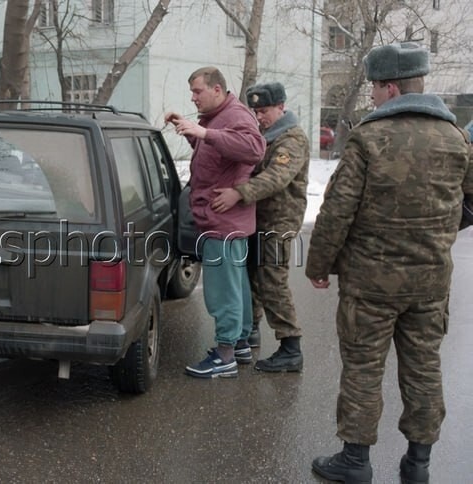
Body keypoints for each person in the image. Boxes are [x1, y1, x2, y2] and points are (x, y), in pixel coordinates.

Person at [306, 43, 472, 484]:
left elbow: (336, 211)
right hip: (430, 284)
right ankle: (418, 465)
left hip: (370, 285)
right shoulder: (455, 137)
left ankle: (355, 462)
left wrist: (318, 265)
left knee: (363, 369)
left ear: (390, 87)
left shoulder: (369, 137)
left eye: (376, 89)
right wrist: (438, 232)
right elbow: (470, 199)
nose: (373, 98)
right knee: (424, 369)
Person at [165, 66, 266, 378]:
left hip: (223, 221)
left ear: (218, 90)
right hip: (224, 220)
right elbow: (217, 155)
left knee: (221, 290)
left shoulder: (235, 116)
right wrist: (192, 129)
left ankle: (225, 355)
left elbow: (254, 149)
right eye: (192, 93)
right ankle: (241, 344)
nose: (193, 97)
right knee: (235, 285)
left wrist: (205, 133)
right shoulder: (218, 118)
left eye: (198, 91)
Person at [212, 82, 309, 372]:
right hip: (257, 217)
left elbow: (276, 178)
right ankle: (249, 331)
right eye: (255, 111)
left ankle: (291, 346)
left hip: (279, 221)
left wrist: (238, 192)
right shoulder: (265, 135)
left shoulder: (291, 139)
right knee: (251, 275)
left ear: (281, 106)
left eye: (264, 110)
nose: (260, 117)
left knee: (272, 281)